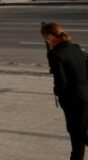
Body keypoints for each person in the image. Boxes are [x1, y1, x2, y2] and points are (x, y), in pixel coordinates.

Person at [41, 22, 88, 160]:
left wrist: (60, 97)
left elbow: (61, 82)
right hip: (86, 92)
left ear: (50, 36)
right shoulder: (76, 47)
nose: (45, 41)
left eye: (45, 37)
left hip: (74, 99)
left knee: (77, 132)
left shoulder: (55, 54)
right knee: (81, 130)